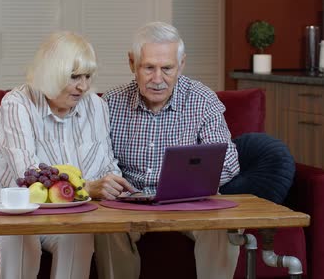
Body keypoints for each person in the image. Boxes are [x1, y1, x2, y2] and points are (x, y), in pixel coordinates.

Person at [0, 31, 135, 279]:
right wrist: (87, 188)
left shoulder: (96, 106)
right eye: (74, 77)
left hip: (64, 214)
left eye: (87, 76)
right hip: (9, 210)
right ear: (52, 74)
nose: (83, 86)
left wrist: (112, 184)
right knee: (23, 243)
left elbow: (107, 164)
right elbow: (28, 177)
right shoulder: (16, 104)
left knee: (79, 237)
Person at [94, 21, 241, 279]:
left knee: (223, 225)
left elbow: (228, 163)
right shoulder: (110, 103)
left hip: (189, 202)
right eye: (149, 68)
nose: (158, 79)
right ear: (132, 64)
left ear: (181, 65)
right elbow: (98, 161)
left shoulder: (202, 100)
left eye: (167, 68)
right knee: (106, 225)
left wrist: (189, 184)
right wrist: (107, 183)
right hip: (129, 203)